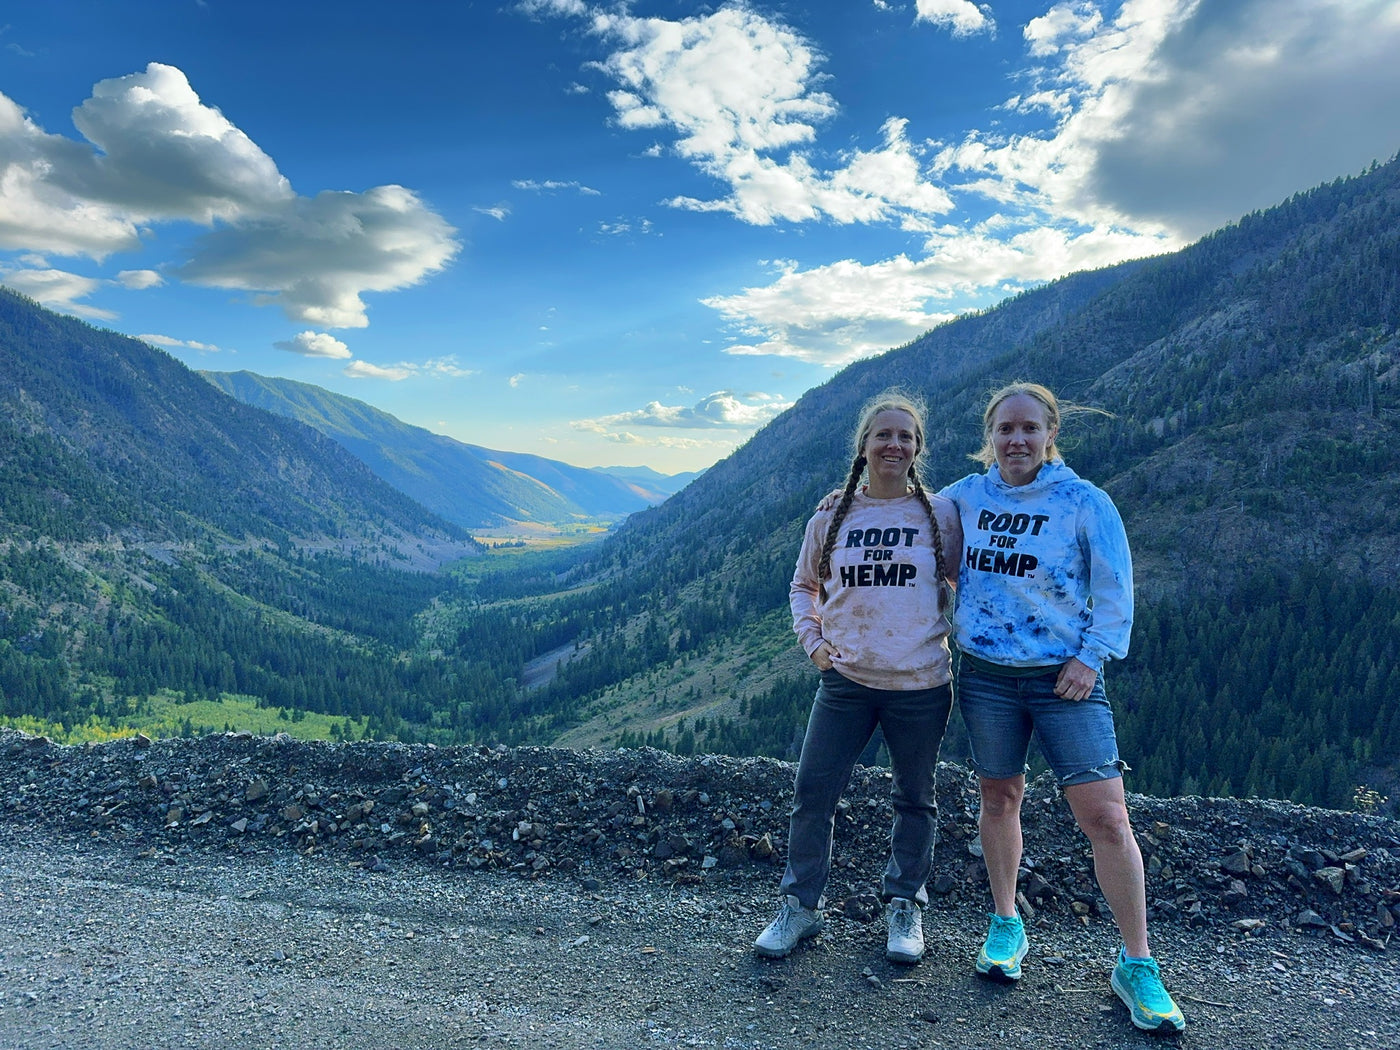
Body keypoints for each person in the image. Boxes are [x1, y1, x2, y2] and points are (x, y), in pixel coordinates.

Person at [941, 381, 1185, 1034]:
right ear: (988, 437)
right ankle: (1006, 923)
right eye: (1005, 429)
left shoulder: (1085, 502)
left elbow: (1115, 589)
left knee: (1106, 815)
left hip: (1065, 680)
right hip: (986, 676)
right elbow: (901, 518)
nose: (1016, 439)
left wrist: (1092, 656)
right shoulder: (962, 498)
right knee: (999, 796)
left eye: (1029, 428)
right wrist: (840, 509)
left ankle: (1137, 962)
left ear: (1051, 433)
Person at [754, 390, 962, 965]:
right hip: (844, 682)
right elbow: (804, 586)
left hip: (921, 684)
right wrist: (815, 645)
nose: (893, 444)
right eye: (883, 435)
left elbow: (967, 582)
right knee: (813, 793)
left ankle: (904, 906)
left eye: (905, 436)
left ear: (917, 448)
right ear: (864, 446)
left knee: (916, 797)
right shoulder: (832, 515)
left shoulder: (941, 515)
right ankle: (799, 907)